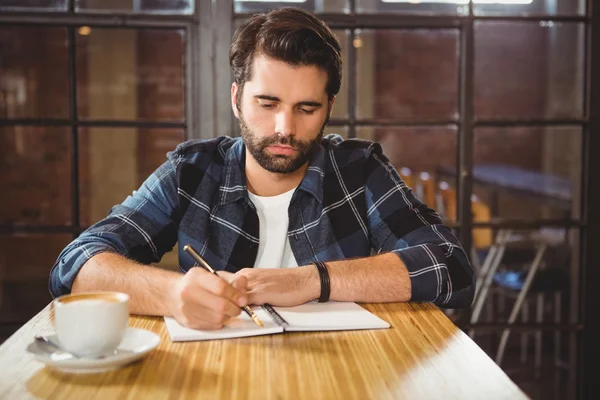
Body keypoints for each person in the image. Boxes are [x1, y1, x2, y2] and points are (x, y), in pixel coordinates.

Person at [49, 7, 475, 330]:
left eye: (306, 108)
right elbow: (75, 266)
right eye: (267, 104)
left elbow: (450, 267)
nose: (284, 129)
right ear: (237, 99)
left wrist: (313, 281)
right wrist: (174, 293)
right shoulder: (192, 171)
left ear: (328, 107)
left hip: (348, 377)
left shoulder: (359, 168)